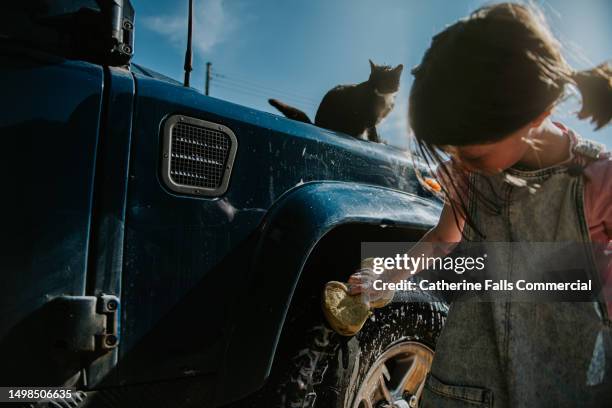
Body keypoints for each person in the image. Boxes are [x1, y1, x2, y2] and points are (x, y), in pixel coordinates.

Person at [348, 3, 611, 407]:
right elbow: (441, 239)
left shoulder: (597, 184)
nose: (457, 163)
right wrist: (387, 275)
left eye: (471, 152)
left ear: (537, 113)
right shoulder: (468, 175)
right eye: (451, 150)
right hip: (461, 389)